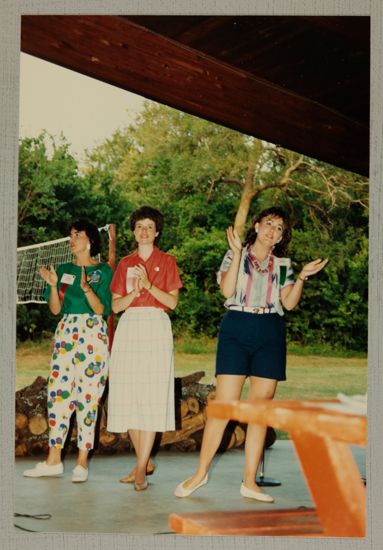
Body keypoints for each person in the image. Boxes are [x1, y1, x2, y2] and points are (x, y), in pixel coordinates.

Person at [174, 206, 328, 502]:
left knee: (260, 408)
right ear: (257, 226)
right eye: (269, 223)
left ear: (282, 236)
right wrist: (236, 255)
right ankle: (200, 473)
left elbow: (290, 303)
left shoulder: (283, 263)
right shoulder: (236, 253)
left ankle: (249, 482)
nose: (273, 231)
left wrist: (303, 279)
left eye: (279, 228)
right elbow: (226, 290)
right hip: (237, 326)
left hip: (270, 329)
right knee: (224, 405)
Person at [23, 219, 113, 483]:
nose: (71, 239)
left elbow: (101, 310)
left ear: (91, 240)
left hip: (93, 334)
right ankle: (53, 460)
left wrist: (86, 288)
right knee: (59, 395)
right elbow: (55, 310)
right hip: (66, 333)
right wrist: (52, 285)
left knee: (89, 396)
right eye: (70, 235)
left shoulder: (104, 271)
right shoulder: (62, 269)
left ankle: (82, 462)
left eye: (77, 234)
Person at [106, 206, 182, 491]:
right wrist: (133, 293)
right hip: (130, 327)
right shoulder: (125, 263)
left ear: (157, 231)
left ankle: (140, 470)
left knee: (150, 396)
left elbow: (172, 303)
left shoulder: (168, 261)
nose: (144, 231)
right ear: (134, 231)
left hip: (156, 327)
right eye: (139, 227)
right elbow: (115, 306)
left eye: (149, 226)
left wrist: (149, 286)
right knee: (128, 395)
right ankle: (144, 461)